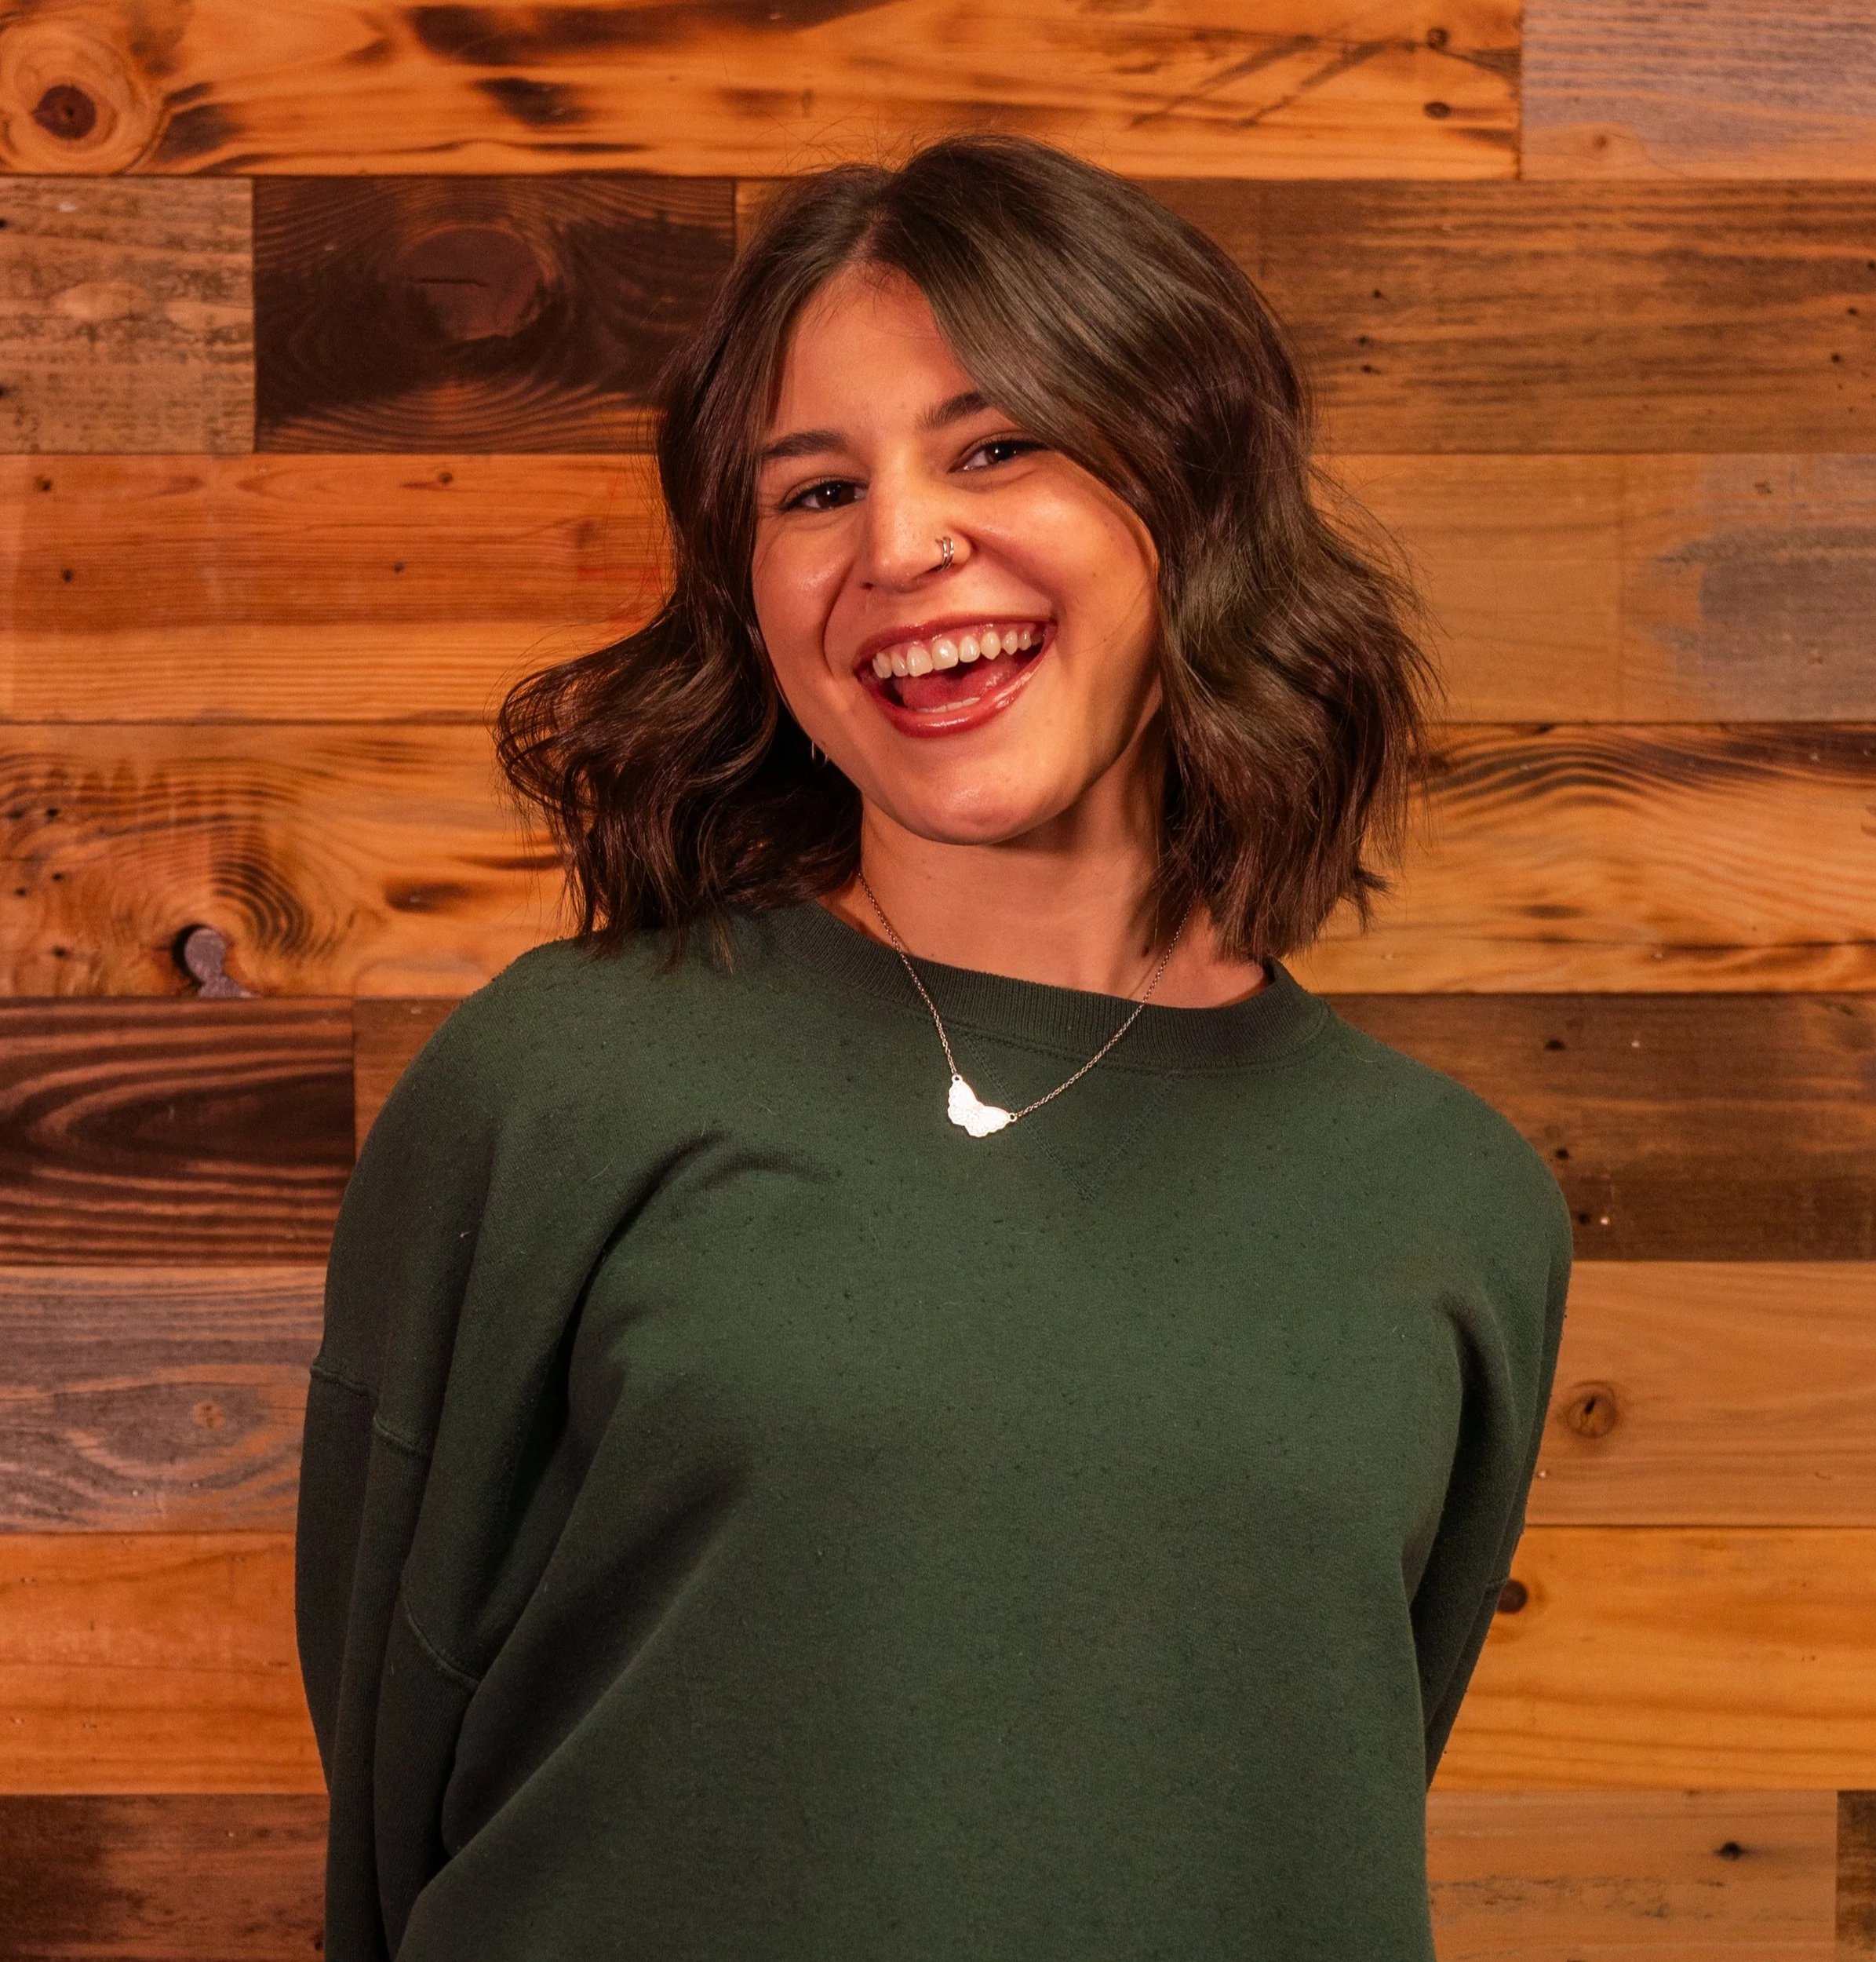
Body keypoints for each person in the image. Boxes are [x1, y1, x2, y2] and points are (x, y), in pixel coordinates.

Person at [296, 135, 1572, 1962]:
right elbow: (392, 1764)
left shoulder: (1448, 1198)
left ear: (1191, 493)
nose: (897, 547)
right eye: (813, 491)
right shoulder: (560, 1083)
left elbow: (1293, 1804)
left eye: (993, 447)